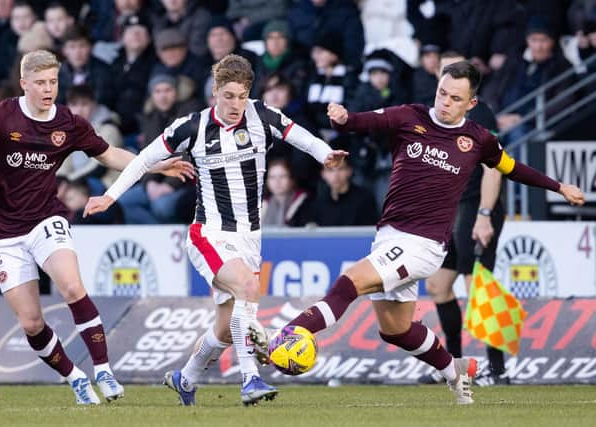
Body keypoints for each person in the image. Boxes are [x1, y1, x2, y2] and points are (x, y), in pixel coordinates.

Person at [249, 60, 584, 404]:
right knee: (395, 329)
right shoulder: (411, 116)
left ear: (471, 103)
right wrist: (343, 118)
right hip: (390, 236)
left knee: (350, 282)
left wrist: (559, 186)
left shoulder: (478, 139)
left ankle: (287, 334)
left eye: (455, 98)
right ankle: (457, 371)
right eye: (442, 93)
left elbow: (513, 169)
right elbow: (363, 122)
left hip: (423, 245)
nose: (445, 102)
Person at [83, 54, 348, 405]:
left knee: (225, 327)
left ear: (249, 93)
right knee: (248, 287)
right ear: (215, 92)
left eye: (241, 96)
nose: (235, 104)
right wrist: (110, 195)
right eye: (228, 96)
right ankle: (251, 379)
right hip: (209, 232)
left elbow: (302, 137)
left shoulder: (262, 115)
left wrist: (326, 153)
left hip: (250, 237)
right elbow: (144, 158)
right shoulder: (191, 126)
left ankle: (186, 377)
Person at [0, 50, 193, 405]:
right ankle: (75, 377)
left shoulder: (68, 123)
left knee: (71, 286)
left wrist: (155, 167)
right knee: (32, 324)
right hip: (3, 232)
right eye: (40, 83)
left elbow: (109, 153)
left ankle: (103, 370)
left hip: (45, 219)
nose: (48, 89)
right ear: (24, 85)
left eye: (53, 82)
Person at [419, 52, 508, 387]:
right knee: (438, 285)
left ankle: (498, 369)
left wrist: (484, 216)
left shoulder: (479, 114)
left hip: (476, 207)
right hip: (450, 211)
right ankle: (452, 366)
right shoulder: (437, 116)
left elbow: (494, 171)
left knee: (479, 288)